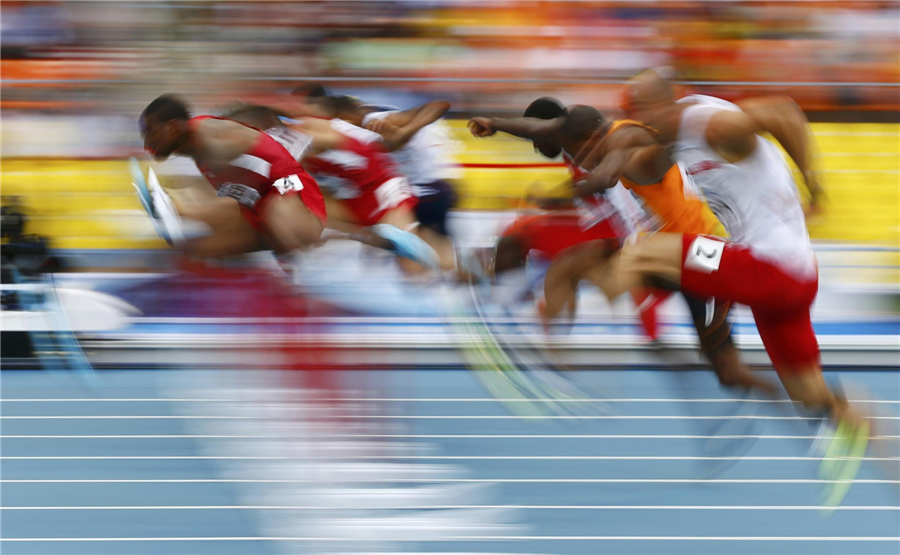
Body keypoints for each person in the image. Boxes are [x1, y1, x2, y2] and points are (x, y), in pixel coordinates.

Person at [593, 69, 867, 506]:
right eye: (629, 115)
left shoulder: (712, 125)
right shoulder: (662, 135)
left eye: (641, 113)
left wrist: (814, 186)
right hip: (784, 279)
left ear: (669, 103)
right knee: (808, 394)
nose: (637, 124)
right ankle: (857, 422)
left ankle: (588, 347)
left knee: (644, 250)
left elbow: (784, 112)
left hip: (770, 267)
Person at [224, 104, 446, 273]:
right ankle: (363, 238)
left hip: (381, 190)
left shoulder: (303, 130)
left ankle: (465, 269)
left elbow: (326, 143)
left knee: (416, 269)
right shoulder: (273, 144)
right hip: (348, 195)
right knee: (275, 206)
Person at [138, 94, 326, 259]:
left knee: (275, 210)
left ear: (172, 128)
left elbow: (257, 138)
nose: (147, 142)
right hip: (259, 205)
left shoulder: (211, 134)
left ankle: (320, 247)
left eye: (150, 133)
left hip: (289, 187)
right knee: (200, 249)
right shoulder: (193, 147)